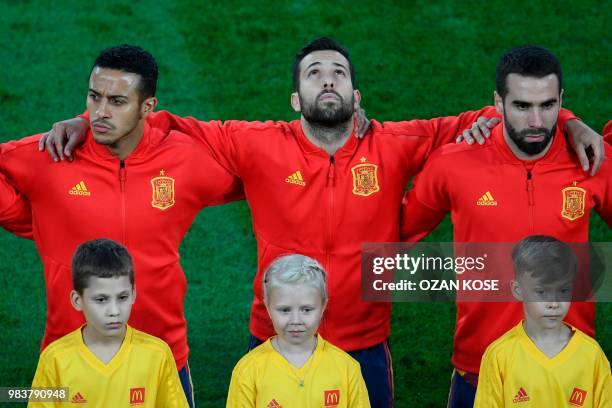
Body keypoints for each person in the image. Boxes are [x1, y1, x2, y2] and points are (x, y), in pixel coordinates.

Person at [37, 37, 599, 407]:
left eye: (337, 73)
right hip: (272, 340)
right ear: (295, 96)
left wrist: (571, 123)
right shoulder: (255, 144)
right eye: (313, 73)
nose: (326, 79)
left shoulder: (398, 143)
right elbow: (162, 122)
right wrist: (89, 120)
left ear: (357, 98)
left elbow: (501, 112)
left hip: (363, 347)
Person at [0, 44, 243, 406]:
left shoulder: (185, 160)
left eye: (117, 101)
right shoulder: (51, 155)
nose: (99, 112)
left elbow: (264, 174)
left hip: (163, 361)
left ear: (148, 107)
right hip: (66, 364)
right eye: (93, 97)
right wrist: (38, 220)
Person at [401, 45, 612, 407]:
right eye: (521, 106)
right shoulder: (453, 165)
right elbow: (394, 233)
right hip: (479, 369)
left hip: (572, 371)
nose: (535, 122)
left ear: (562, 100)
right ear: (497, 104)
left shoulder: (591, 161)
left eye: (548, 106)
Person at [29, 238, 188, 408]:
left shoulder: (158, 355)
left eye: (122, 297)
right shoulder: (54, 359)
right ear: (77, 300)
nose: (114, 311)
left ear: (133, 294)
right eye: (101, 299)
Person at [474, 236, 611, 407]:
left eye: (563, 290)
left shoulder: (592, 355)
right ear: (517, 290)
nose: (554, 303)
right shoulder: (498, 356)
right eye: (541, 292)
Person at [226, 254, 370, 408]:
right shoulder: (248, 370)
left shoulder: (347, 368)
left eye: (306, 310)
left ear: (322, 307)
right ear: (268, 307)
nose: (296, 320)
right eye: (285, 310)